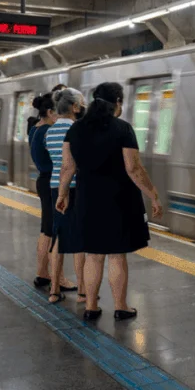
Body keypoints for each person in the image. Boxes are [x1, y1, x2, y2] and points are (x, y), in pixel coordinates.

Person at [56, 82, 162, 321]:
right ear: (117, 102)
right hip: (119, 199)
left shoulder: (75, 130)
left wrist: (62, 195)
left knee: (93, 255)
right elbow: (133, 168)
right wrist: (153, 194)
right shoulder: (123, 129)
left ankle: (91, 307)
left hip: (87, 198)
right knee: (116, 255)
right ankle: (121, 306)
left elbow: (67, 167)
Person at [45, 89, 84, 303]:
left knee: (58, 235)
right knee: (79, 238)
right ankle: (82, 292)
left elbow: (57, 162)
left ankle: (53, 290)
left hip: (54, 186)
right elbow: (74, 164)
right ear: (75, 107)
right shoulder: (77, 129)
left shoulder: (50, 132)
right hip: (75, 187)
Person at [29, 94, 57, 291]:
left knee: (46, 229)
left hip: (43, 180)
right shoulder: (48, 131)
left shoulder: (34, 129)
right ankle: (53, 277)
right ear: (49, 112)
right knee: (52, 231)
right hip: (51, 182)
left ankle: (42, 273)